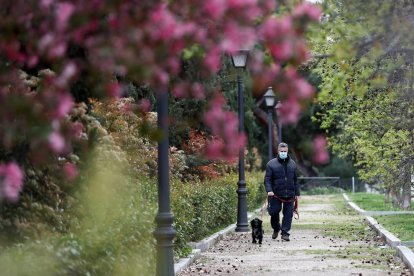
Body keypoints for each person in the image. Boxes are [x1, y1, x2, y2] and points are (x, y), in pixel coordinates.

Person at [264, 142, 299, 241]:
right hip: (275, 194)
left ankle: (285, 233)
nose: (283, 152)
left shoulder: (292, 164)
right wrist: (269, 190)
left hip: (290, 194)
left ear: (287, 151)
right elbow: (267, 179)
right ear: (278, 151)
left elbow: (295, 179)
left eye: (285, 151)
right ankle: (276, 228)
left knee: (288, 214)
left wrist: (297, 193)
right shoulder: (271, 164)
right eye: (281, 151)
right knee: (273, 213)